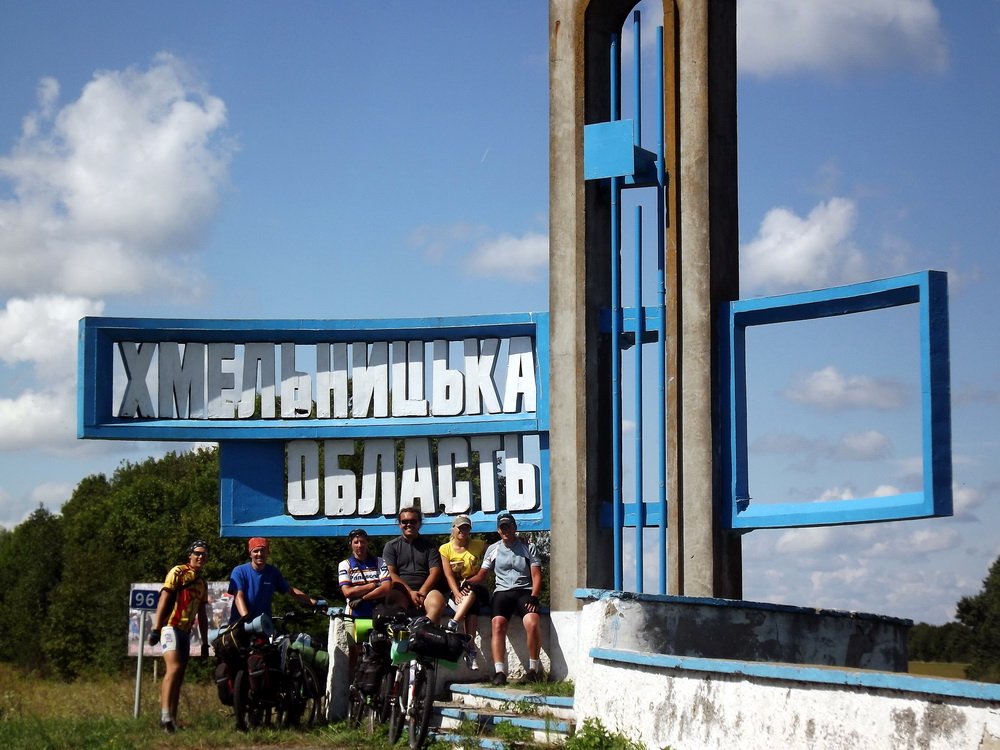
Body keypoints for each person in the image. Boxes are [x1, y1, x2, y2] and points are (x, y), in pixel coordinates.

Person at [468, 512, 543, 685]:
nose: (506, 530)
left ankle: (533, 670)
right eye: (502, 528)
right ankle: (499, 672)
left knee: (533, 622)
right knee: (497, 625)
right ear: (498, 531)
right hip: (502, 592)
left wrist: (535, 595)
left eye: (509, 526)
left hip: (524, 590)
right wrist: (465, 583)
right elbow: (482, 575)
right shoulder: (493, 549)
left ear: (515, 527)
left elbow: (536, 575)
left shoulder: (528, 546)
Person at [148, 540, 211, 732]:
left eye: (204, 554)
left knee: (179, 675)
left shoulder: (202, 582)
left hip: (185, 632)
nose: (200, 556)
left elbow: (202, 614)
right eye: (197, 553)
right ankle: (165, 718)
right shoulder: (178, 572)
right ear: (190, 555)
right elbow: (164, 598)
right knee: (173, 668)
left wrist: (205, 642)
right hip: (171, 627)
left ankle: (172, 721)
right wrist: (156, 628)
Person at [228, 536, 318, 625]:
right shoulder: (239, 571)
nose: (259, 554)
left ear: (268, 552)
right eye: (255, 551)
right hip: (241, 625)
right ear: (250, 554)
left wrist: (314, 602)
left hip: (262, 625)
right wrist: (247, 619)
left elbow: (291, 591)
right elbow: (238, 596)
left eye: (262, 550)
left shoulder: (273, 572)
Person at [439, 514, 490, 670]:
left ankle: (453, 623)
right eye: (460, 527)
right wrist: (455, 592)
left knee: (472, 590)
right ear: (453, 528)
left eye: (466, 528)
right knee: (472, 606)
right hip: (458, 589)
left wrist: (520, 540)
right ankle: (471, 651)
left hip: (476, 586)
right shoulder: (445, 549)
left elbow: (498, 548)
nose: (463, 531)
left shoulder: (478, 544)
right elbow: (448, 575)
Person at [382, 507, 446, 622]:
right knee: (392, 599)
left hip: (427, 592)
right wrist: (410, 593)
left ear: (419, 523)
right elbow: (390, 573)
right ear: (399, 524)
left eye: (413, 521)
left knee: (438, 601)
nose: (409, 524)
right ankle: (401, 629)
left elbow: (435, 572)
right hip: (401, 591)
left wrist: (421, 593)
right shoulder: (391, 546)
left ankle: (426, 628)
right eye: (405, 522)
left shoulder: (430, 545)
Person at [338, 528, 397, 618]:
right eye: (356, 542)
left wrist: (362, 598)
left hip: (378, 615)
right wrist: (373, 585)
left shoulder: (380, 562)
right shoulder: (345, 564)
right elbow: (348, 592)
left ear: (367, 543)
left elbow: (386, 588)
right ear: (351, 545)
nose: (360, 545)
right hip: (353, 615)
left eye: (362, 542)